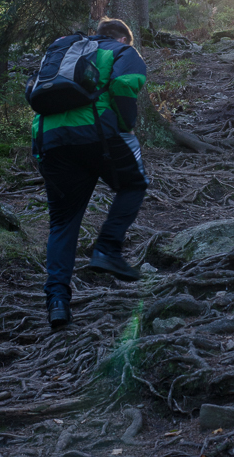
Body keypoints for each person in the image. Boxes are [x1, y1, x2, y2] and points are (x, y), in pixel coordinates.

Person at [31, 18, 148, 329]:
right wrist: (126, 124)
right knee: (133, 185)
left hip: (51, 139)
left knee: (63, 222)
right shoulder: (122, 51)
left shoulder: (68, 51)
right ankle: (107, 249)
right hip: (98, 134)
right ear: (124, 39)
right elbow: (126, 83)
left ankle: (57, 302)